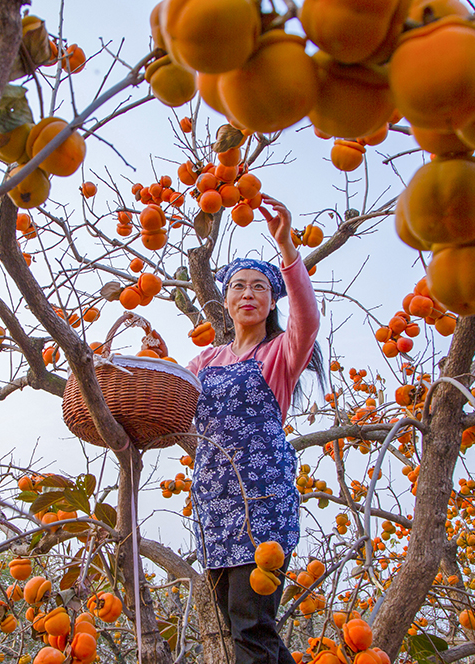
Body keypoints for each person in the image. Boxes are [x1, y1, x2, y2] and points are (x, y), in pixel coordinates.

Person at [187, 195, 322, 663]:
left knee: (252, 627)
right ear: (224, 301)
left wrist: (286, 248)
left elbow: (308, 316)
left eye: (259, 287)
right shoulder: (206, 360)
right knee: (240, 627)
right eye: (239, 286)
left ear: (270, 302)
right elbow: (170, 404)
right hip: (215, 504)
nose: (248, 293)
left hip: (261, 503)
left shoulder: (281, 353)